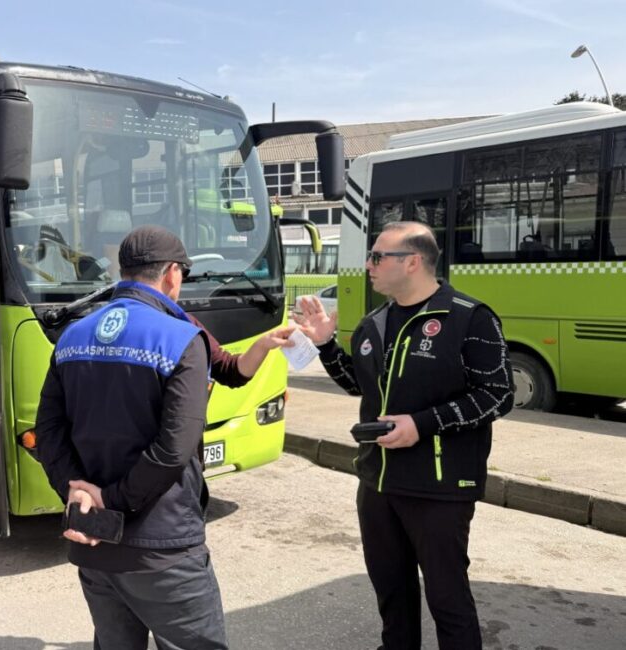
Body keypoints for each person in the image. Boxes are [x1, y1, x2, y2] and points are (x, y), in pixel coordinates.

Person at [36, 225, 288, 649]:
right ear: (172, 273)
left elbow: (48, 430)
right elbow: (174, 449)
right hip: (161, 545)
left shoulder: (72, 334)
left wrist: (78, 492)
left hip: (92, 541)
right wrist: (111, 503)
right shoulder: (179, 337)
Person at [294, 221, 514, 650]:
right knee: (392, 594)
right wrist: (325, 346)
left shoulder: (469, 318)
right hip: (378, 481)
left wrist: (422, 424)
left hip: (440, 486)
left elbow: (498, 395)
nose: (368, 265)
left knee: (448, 598)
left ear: (412, 261)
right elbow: (359, 385)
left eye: (378, 257)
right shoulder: (374, 322)